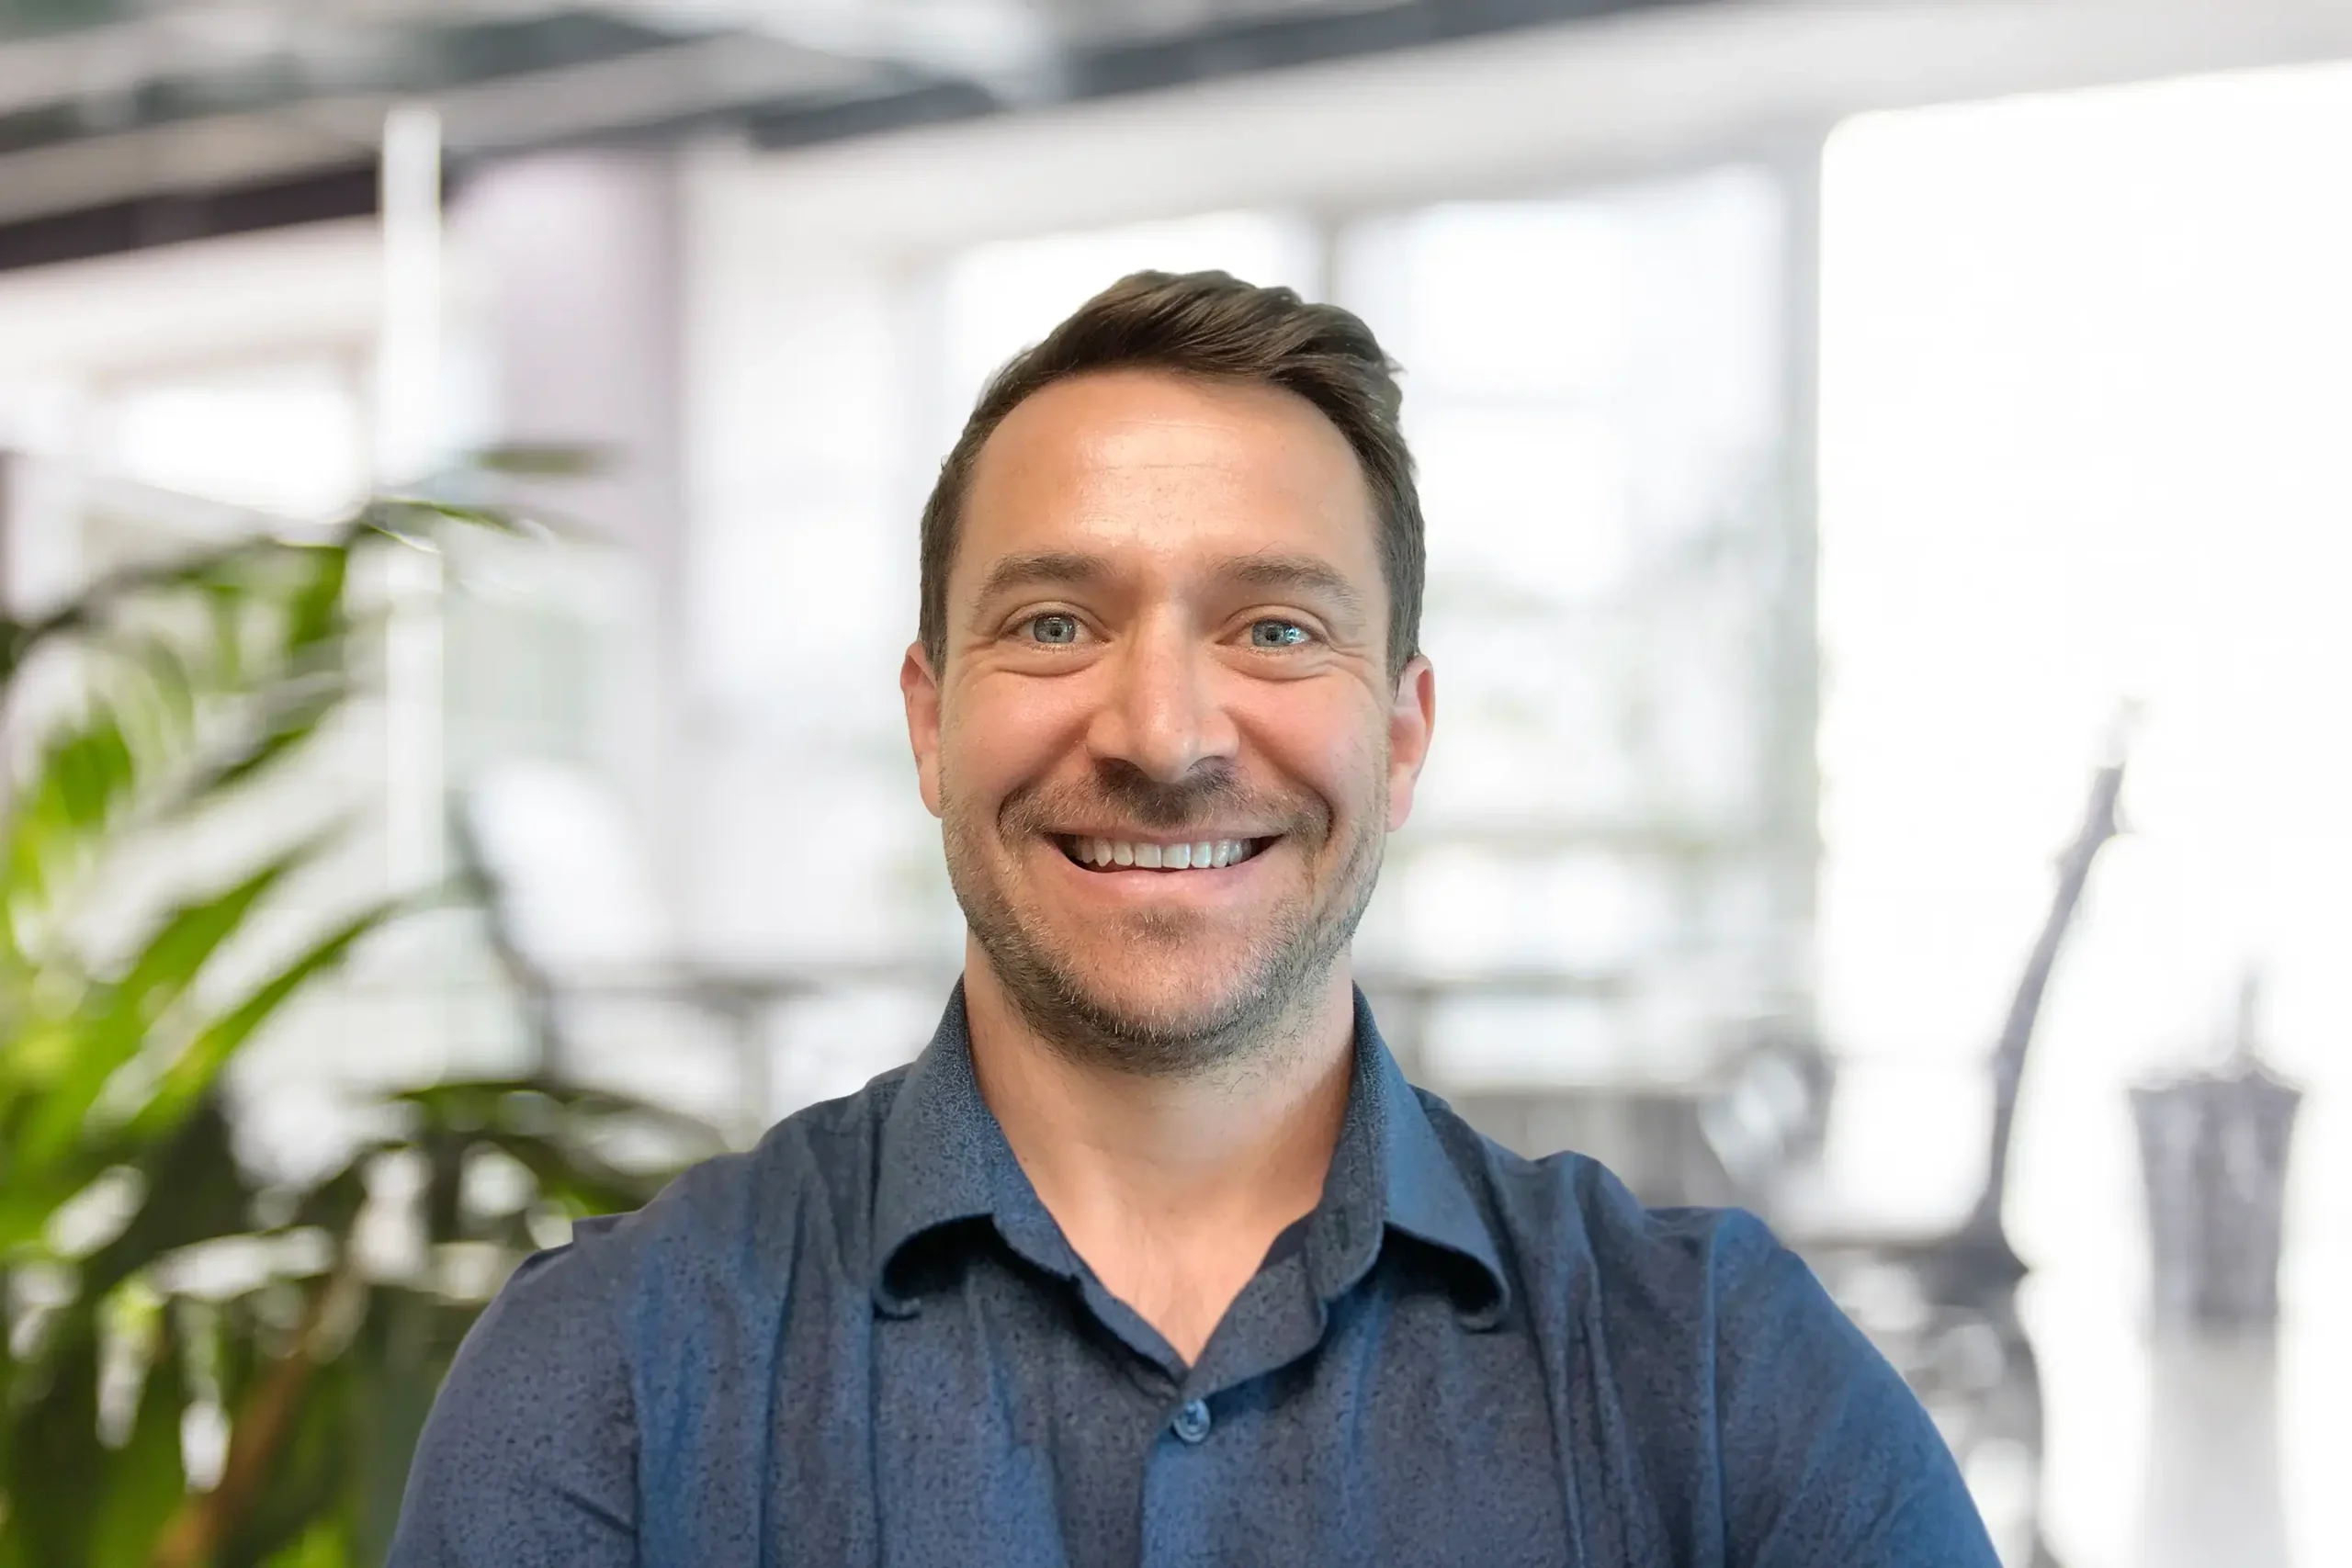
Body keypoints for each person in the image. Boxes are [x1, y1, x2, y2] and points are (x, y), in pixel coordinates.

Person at [388, 271, 1996, 1566]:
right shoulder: (611, 1384)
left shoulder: (1719, 1382)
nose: (1166, 733)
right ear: (931, 721)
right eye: (1055, 620)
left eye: (1277, 625)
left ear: (1404, 731)